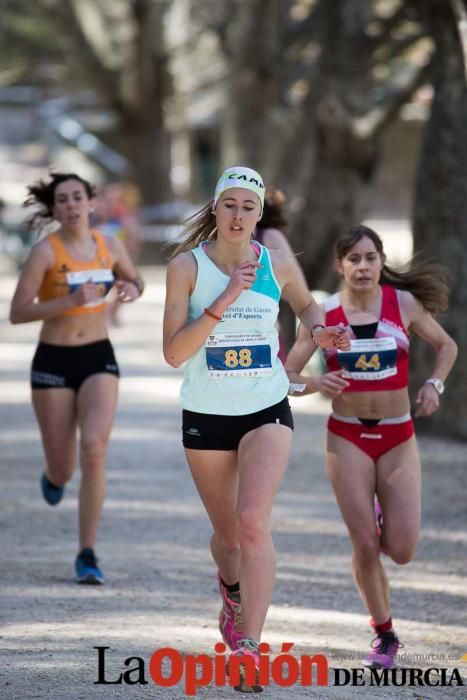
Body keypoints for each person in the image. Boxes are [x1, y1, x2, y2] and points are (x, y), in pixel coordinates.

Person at [163, 165, 350, 691]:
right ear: (216, 209)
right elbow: (175, 353)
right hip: (205, 413)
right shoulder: (187, 268)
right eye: (230, 204)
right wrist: (224, 301)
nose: (239, 214)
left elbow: (308, 303)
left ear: (260, 214)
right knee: (228, 540)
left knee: (252, 524)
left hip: (267, 406)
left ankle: (248, 647)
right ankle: (231, 587)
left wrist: (319, 330)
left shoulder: (276, 261)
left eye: (249, 206)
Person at [285, 224, 457, 670]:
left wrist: (434, 385)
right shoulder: (323, 315)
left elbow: (447, 346)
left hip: (398, 436)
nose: (363, 267)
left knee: (400, 550)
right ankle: (385, 634)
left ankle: (383, 514)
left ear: (382, 263)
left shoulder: (403, 304)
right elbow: (285, 376)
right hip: (347, 438)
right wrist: (316, 382)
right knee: (364, 545)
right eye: (354, 259)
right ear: (340, 266)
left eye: (371, 258)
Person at [9, 172, 144, 585]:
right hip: (53, 361)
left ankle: (87, 552)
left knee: (95, 447)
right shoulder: (45, 253)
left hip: (98, 356)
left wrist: (129, 287)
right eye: (62, 200)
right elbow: (17, 312)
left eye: (76, 197)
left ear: (90, 203)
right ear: (55, 209)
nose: (70, 205)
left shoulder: (109, 245)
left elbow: (134, 279)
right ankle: (54, 475)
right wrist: (68, 300)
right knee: (66, 467)